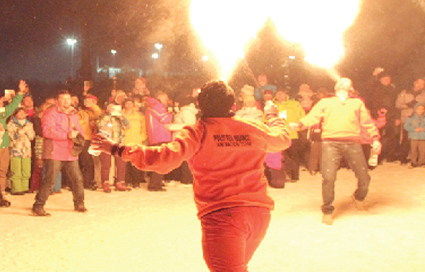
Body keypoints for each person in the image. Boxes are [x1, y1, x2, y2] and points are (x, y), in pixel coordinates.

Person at [92, 80, 290, 271]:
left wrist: (118, 149)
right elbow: (281, 139)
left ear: (199, 105)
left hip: (224, 216)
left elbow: (164, 158)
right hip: (258, 214)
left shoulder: (198, 132)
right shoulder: (252, 128)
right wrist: (272, 115)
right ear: (233, 105)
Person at [291, 78, 380, 225]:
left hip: (353, 143)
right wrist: (300, 124)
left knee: (364, 177)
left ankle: (358, 197)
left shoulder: (357, 103)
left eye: (347, 82)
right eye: (341, 82)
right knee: (329, 177)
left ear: (351, 88)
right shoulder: (326, 102)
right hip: (331, 143)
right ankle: (327, 210)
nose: (344, 83)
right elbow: (312, 117)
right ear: (336, 87)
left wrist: (375, 138)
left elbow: (367, 122)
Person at [32, 90, 86, 216]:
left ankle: (79, 203)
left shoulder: (73, 114)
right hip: (54, 151)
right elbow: (47, 131)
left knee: (77, 179)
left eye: (68, 98)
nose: (66, 101)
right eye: (63, 99)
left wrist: (79, 137)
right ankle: (38, 206)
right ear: (57, 101)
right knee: (50, 180)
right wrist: (67, 135)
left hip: (70, 151)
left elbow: (79, 129)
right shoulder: (50, 113)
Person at [0, 80, 28, 192]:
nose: (1, 105)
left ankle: (1, 191)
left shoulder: (2, 115)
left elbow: (13, 106)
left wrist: (20, 92)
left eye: (1, 104)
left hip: (5, 145)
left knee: (3, 170)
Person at [96, 102, 131, 192]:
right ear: (106, 108)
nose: (112, 108)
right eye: (110, 107)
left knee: (121, 164)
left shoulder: (119, 118)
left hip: (119, 143)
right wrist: (110, 115)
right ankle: (105, 183)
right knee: (106, 164)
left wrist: (123, 116)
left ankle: (120, 182)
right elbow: (100, 125)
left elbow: (128, 126)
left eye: (114, 107)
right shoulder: (103, 116)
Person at [143, 91, 173, 191]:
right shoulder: (157, 106)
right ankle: (154, 184)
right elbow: (164, 118)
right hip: (160, 136)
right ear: (160, 98)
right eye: (165, 97)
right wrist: (171, 114)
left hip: (157, 136)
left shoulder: (152, 106)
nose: (167, 100)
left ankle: (157, 181)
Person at [7, 107, 35, 195]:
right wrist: (22, 131)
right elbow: (12, 137)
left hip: (26, 150)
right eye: (20, 113)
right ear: (15, 114)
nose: (22, 114)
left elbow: (32, 137)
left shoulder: (29, 124)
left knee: (26, 169)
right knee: (16, 169)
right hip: (16, 149)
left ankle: (25, 187)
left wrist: (28, 130)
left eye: (24, 113)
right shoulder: (11, 124)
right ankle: (16, 188)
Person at [403, 103, 425, 168]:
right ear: (415, 109)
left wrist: (423, 129)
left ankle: (421, 162)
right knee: (413, 150)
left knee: (422, 150)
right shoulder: (410, 118)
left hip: (423, 136)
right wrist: (414, 129)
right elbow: (406, 126)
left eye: (422, 109)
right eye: (418, 109)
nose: (420, 111)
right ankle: (413, 162)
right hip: (413, 136)